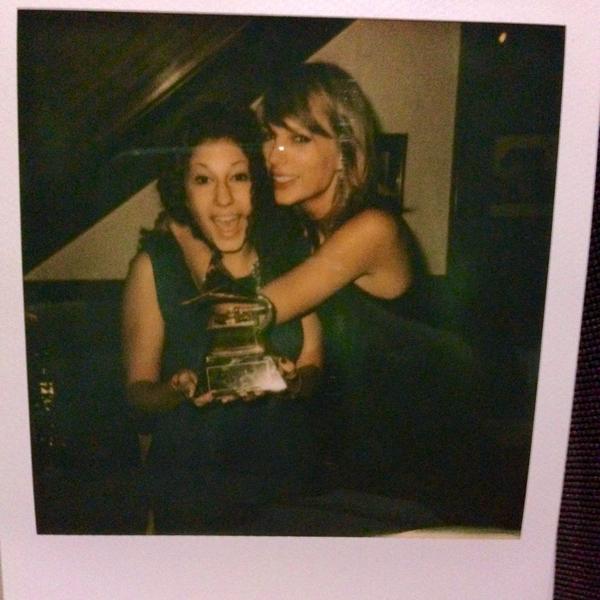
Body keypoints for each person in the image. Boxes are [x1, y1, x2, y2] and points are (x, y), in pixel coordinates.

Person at [172, 64, 513, 526]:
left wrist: (183, 235)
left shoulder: (373, 229)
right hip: (351, 469)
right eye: (271, 137)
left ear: (344, 150)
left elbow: (249, 312)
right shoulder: (299, 228)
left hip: (423, 474)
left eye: (299, 139)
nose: (274, 156)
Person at [122, 104, 323, 534]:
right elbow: (138, 393)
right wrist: (175, 390)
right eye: (203, 180)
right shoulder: (156, 266)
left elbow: (313, 361)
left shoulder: (291, 256)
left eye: (238, 176)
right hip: (195, 490)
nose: (224, 199)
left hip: (288, 483)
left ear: (259, 182)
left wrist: (292, 381)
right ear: (182, 190)